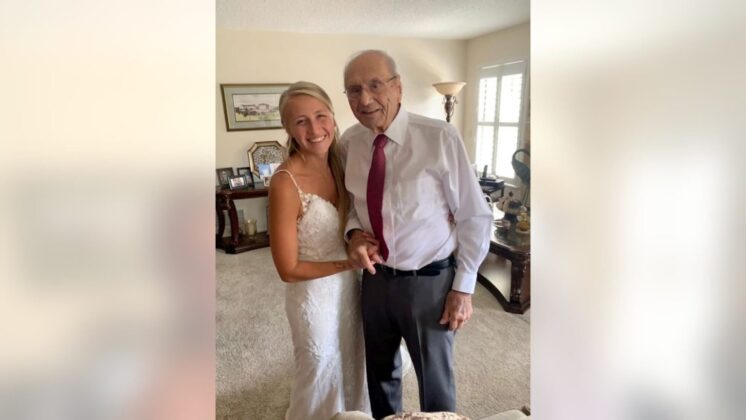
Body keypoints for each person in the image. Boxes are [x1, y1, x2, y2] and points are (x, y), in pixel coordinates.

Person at [340, 50, 493, 418]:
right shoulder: (350, 143)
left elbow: (474, 215)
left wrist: (463, 289)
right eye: (354, 90)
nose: (365, 99)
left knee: (434, 381)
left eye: (375, 85)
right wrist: (354, 234)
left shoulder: (440, 138)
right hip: (375, 280)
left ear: (398, 87)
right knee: (379, 374)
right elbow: (353, 205)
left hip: (429, 282)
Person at [268, 81, 370, 419]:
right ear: (288, 128)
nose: (314, 129)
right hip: (312, 294)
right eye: (301, 121)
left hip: (350, 289)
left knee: (354, 358)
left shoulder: (343, 162)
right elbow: (287, 269)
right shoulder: (285, 183)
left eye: (320, 116)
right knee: (319, 364)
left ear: (333, 117)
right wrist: (347, 264)